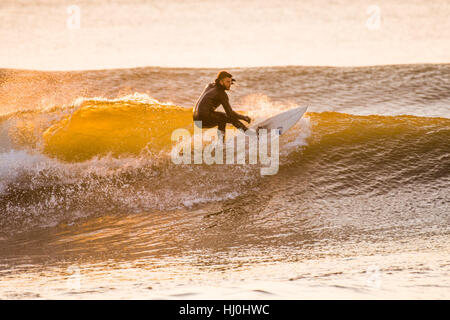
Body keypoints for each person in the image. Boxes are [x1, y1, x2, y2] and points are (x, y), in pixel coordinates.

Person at [193, 71, 251, 141]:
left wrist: (228, 80)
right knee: (225, 117)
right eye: (227, 82)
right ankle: (250, 134)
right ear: (221, 82)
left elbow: (216, 82)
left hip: (195, 118)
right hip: (203, 119)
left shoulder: (209, 86)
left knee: (221, 118)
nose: (229, 84)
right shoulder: (221, 94)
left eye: (230, 82)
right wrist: (244, 117)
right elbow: (230, 114)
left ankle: (221, 143)